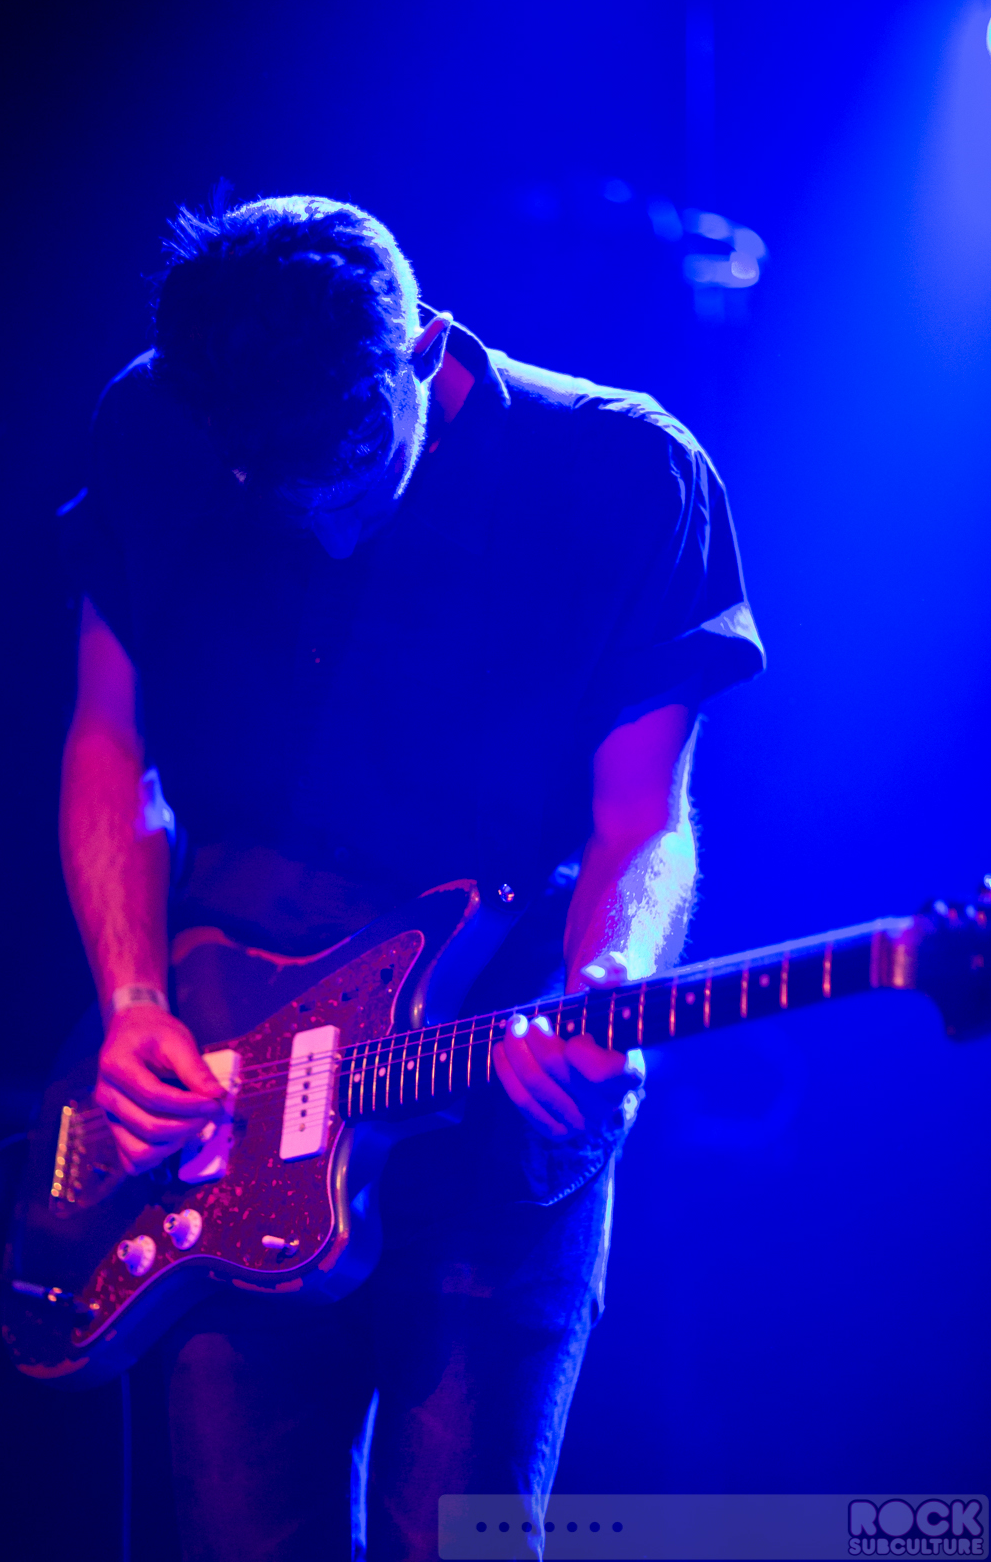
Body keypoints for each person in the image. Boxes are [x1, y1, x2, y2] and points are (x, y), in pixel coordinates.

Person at [58, 194, 764, 1561]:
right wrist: (131, 1000)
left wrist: (608, 984)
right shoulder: (154, 426)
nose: (325, 529)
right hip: (228, 1097)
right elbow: (107, 743)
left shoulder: (623, 474)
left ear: (424, 349)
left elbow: (645, 819)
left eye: (358, 474)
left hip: (489, 1091)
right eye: (281, 496)